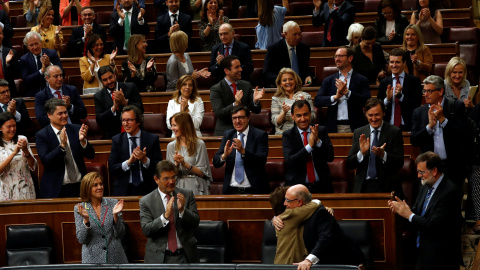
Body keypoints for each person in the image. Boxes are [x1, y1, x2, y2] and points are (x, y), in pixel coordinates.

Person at [388, 151, 462, 270]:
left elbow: (433, 225)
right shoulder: (425, 185)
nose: (418, 176)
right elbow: (416, 211)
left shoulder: (450, 192)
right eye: (418, 172)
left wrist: (409, 215)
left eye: (422, 172)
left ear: (434, 171)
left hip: (441, 256)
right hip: (422, 250)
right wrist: (401, 209)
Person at [272, 184, 366, 269]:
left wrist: (309, 260)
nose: (285, 204)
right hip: (321, 262)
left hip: (344, 262)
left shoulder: (320, 213)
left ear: (299, 202)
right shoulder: (299, 213)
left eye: (288, 200)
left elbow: (326, 237)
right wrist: (317, 202)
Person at [411, 75, 468, 194]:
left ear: (441, 91)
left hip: (452, 167)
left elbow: (462, 136)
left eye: (429, 91)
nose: (425, 94)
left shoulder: (456, 107)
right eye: (424, 91)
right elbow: (414, 140)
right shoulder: (419, 112)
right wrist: (429, 127)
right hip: (429, 168)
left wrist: (443, 120)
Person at [139, 160, 200, 263]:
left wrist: (182, 211)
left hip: (185, 256)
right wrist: (164, 217)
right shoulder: (146, 201)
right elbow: (146, 230)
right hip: (159, 259)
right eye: (166, 178)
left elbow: (195, 223)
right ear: (156, 179)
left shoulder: (187, 195)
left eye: (173, 177)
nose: (171, 181)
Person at [35, 99, 95, 198]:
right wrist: (62, 146)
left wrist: (83, 141)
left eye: (65, 112)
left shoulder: (76, 129)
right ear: (49, 115)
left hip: (80, 186)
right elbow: (46, 161)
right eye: (60, 113)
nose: (64, 116)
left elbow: (91, 155)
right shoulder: (42, 135)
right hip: (57, 189)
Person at [346, 98, 404, 196]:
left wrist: (383, 155)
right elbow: (350, 164)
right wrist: (361, 153)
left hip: (387, 187)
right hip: (363, 187)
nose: (374, 119)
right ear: (366, 115)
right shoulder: (359, 132)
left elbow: (399, 162)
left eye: (377, 114)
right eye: (370, 115)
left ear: (383, 113)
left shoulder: (394, 132)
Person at [213, 105, 269, 194]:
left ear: (248, 118)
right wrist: (224, 156)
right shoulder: (228, 135)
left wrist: (243, 152)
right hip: (231, 190)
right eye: (234, 118)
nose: (237, 121)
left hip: (253, 189)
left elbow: (262, 160)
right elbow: (216, 162)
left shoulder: (260, 135)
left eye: (241, 117)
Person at [108, 105, 163, 196]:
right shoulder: (117, 140)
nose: (126, 124)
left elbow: (160, 167)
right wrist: (128, 162)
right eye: (124, 120)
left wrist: (145, 160)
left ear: (138, 121)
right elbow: (112, 168)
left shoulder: (152, 139)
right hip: (124, 189)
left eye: (129, 120)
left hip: (147, 188)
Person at [74, 172, 128, 263]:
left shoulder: (113, 204)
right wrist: (86, 220)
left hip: (115, 258)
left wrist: (115, 216)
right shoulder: (79, 208)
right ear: (87, 188)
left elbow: (121, 233)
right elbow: (82, 239)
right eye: (95, 185)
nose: (100, 187)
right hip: (92, 260)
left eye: (101, 184)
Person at [314, 47, 371, 133]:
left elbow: (367, 101)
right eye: (335, 57)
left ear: (350, 58)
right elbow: (317, 101)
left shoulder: (361, 79)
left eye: (340, 56)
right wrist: (335, 97)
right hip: (333, 126)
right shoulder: (328, 80)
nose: (337, 59)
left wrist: (348, 93)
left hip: (356, 127)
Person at [283, 100, 334, 193]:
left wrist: (318, 141)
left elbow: (330, 157)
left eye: (305, 114)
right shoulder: (288, 135)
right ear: (292, 116)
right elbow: (290, 161)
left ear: (310, 114)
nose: (303, 119)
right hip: (297, 189)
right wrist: (309, 146)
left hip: (322, 186)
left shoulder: (320, 130)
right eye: (298, 115)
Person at [210, 55, 264, 135]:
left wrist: (255, 101)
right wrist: (235, 104)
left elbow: (256, 110)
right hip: (224, 132)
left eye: (240, 66)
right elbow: (220, 113)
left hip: (245, 131)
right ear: (226, 71)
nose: (241, 69)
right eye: (237, 67)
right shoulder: (216, 89)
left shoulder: (246, 85)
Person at [268, 186, 320, 265]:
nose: (286, 202)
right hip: (288, 266)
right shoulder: (291, 214)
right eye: (286, 199)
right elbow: (315, 204)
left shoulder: (284, 217)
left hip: (282, 264)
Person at [377, 48, 423, 131]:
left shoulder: (414, 81)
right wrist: (387, 99)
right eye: (391, 62)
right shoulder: (384, 82)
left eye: (397, 62)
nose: (394, 65)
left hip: (408, 126)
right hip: (387, 127)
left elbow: (416, 104)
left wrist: (401, 96)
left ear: (404, 63)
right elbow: (378, 106)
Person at [166, 112, 212, 195]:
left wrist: (185, 164)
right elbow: (169, 174)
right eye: (171, 125)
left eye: (175, 125)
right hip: (178, 187)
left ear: (184, 126)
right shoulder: (171, 146)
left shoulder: (199, 144)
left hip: (195, 186)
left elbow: (203, 173)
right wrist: (176, 166)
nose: (172, 128)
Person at [94, 65, 144, 139]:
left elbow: (140, 110)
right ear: (101, 82)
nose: (109, 81)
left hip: (134, 132)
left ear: (115, 75)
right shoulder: (98, 96)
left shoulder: (130, 87)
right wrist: (113, 108)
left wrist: (124, 102)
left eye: (110, 77)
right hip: (112, 136)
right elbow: (99, 119)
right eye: (105, 80)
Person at [263, 21, 313, 88]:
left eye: (299, 34)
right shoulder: (274, 49)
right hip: (281, 88)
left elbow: (306, 70)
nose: (298, 37)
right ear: (286, 34)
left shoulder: (304, 48)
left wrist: (308, 77)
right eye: (295, 34)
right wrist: (283, 81)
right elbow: (267, 73)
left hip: (301, 87)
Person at [0, 112, 36, 201]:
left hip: (26, 189)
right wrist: (13, 153)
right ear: (0, 128)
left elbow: (33, 166)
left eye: (14, 126)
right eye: (8, 127)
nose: (12, 129)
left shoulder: (22, 139)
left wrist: (25, 151)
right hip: (6, 191)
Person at [271, 68, 315, 135]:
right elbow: (276, 122)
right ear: (280, 84)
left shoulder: (306, 96)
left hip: (303, 133)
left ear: (295, 81)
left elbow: (313, 117)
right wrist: (284, 112)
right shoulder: (276, 99)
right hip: (284, 134)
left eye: (291, 79)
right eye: (284, 80)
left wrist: (304, 106)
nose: (288, 82)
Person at [20, 31, 63, 97]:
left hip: (53, 93)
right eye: (31, 45)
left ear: (41, 42)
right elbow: (26, 80)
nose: (35, 47)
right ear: (27, 47)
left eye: (36, 43)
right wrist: (42, 71)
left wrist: (49, 65)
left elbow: (63, 74)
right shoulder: (24, 59)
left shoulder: (52, 54)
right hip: (34, 94)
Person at [0, 26, 19, 97]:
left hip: (8, 93)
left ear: (2, 36)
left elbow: (17, 74)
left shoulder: (11, 52)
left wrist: (7, 64)